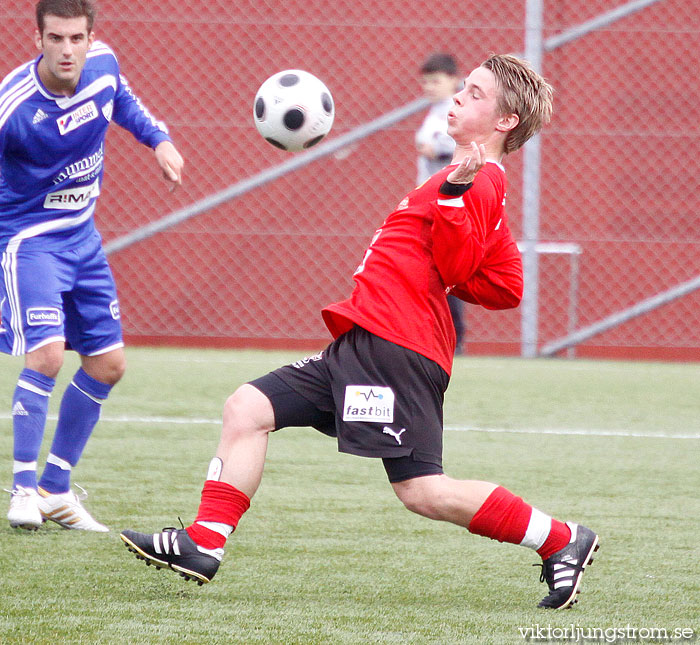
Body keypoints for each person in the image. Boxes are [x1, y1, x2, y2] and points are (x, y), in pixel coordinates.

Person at [121, 54, 599, 610]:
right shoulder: (466, 177)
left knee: (422, 491)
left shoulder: (478, 180)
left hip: (396, 348)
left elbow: (460, 255)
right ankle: (203, 543)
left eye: (474, 93)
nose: (458, 97)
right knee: (247, 408)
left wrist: (451, 202)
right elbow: (503, 284)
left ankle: (561, 539)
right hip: (366, 340)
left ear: (504, 121)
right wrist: (454, 215)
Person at [1, 0, 184, 532]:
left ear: (90, 37)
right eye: (55, 39)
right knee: (48, 355)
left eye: (75, 38)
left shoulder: (103, 66)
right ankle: (22, 490)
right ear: (37, 39)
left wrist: (160, 141)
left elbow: (122, 101)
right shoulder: (14, 107)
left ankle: (56, 491)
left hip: (83, 240)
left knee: (108, 366)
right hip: (28, 241)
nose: (66, 50)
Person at [416, 52, 467, 353]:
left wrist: (436, 147)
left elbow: (467, 141)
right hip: (430, 202)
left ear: (452, 79)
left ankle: (453, 338)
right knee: (431, 271)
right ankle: (435, 336)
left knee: (447, 271)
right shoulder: (435, 110)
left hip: (448, 201)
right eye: (425, 82)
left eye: (436, 81)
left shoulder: (457, 107)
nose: (429, 87)